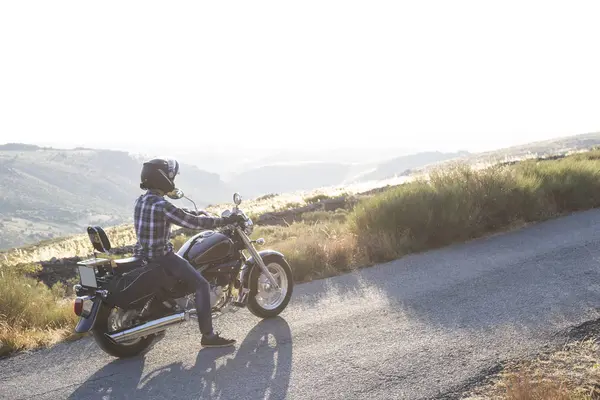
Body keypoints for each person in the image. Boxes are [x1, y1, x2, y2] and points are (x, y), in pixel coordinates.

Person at [133, 158, 244, 348]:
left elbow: (176, 213)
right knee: (201, 284)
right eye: (170, 176)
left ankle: (159, 321)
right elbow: (192, 223)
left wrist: (197, 212)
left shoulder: (142, 200)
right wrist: (222, 221)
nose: (172, 179)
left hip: (142, 255)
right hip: (162, 257)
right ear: (161, 179)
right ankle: (208, 336)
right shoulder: (162, 206)